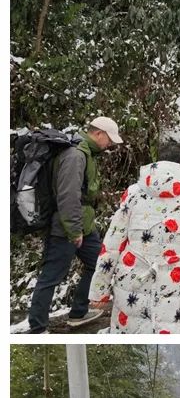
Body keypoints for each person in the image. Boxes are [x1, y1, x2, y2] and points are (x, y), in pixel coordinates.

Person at [88, 141, 180, 333]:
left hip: (130, 279)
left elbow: (113, 243)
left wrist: (99, 289)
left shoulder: (134, 193)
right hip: (173, 285)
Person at [27, 116, 122, 334]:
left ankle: (78, 313)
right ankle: (37, 327)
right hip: (67, 227)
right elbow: (68, 195)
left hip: (84, 225)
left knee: (99, 263)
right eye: (109, 139)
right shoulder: (75, 155)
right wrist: (74, 230)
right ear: (99, 134)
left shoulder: (86, 154)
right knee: (51, 276)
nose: (110, 145)